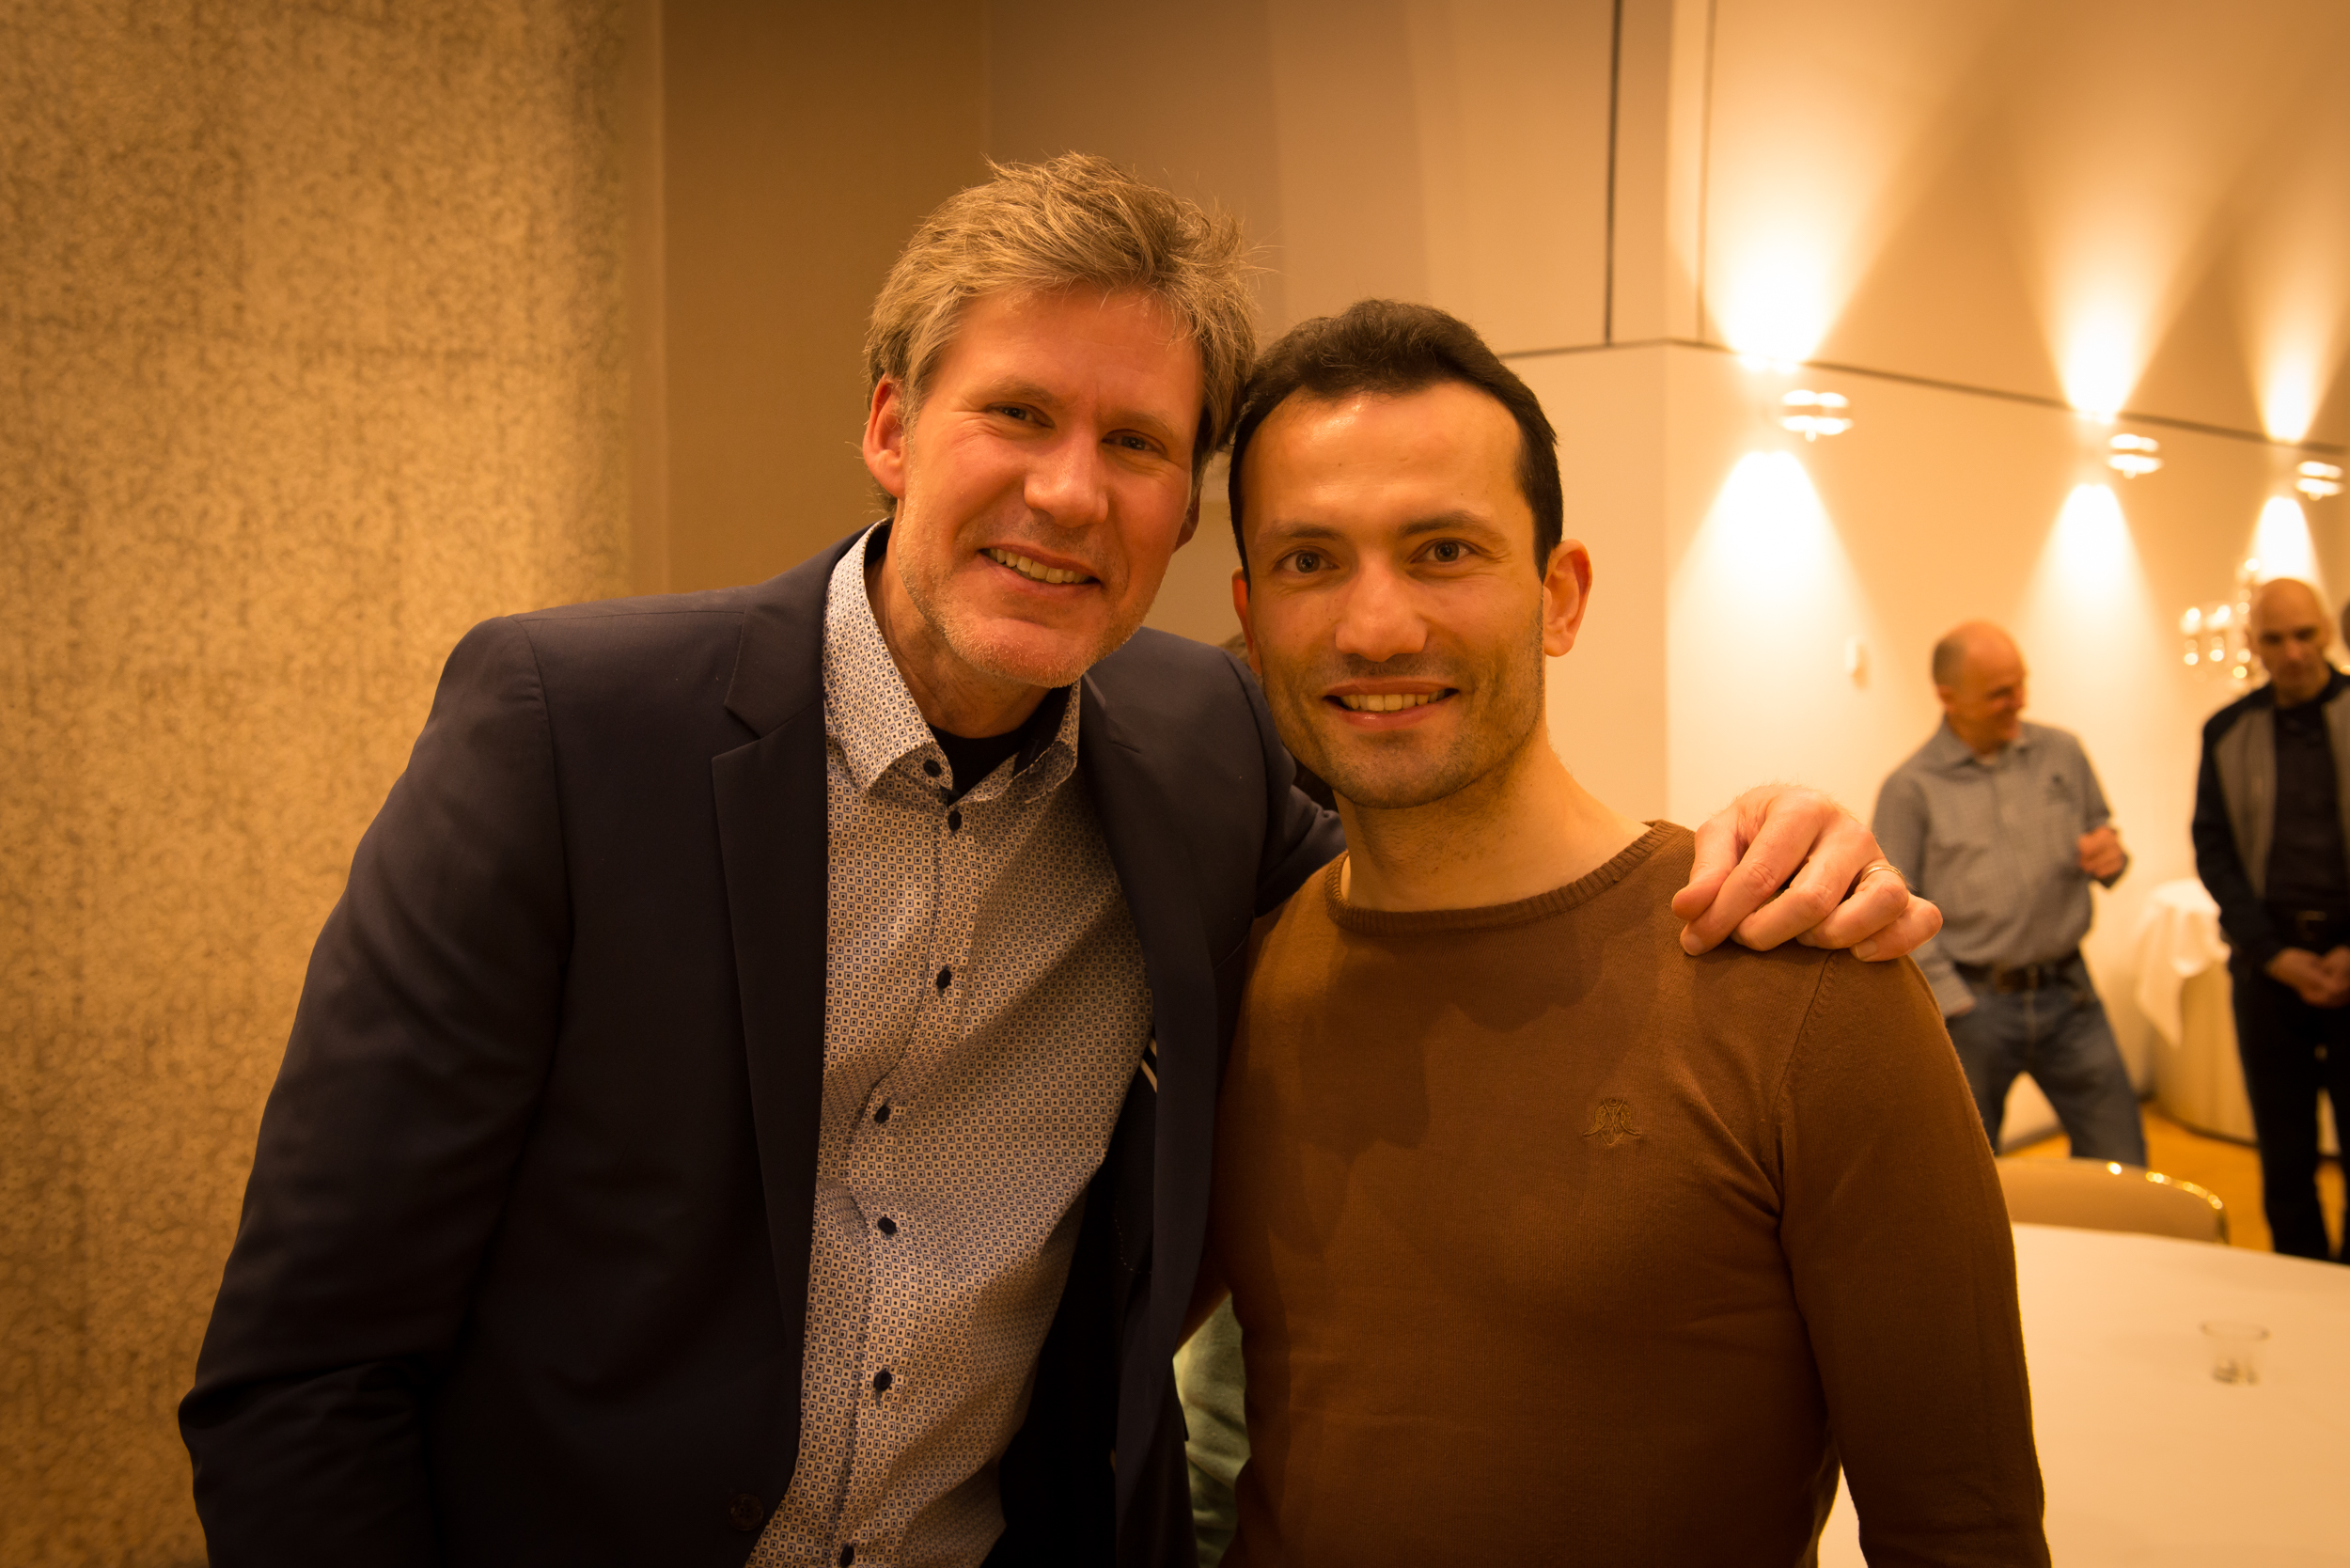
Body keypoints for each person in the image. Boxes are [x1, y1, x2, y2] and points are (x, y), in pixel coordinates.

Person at [179, 158, 1937, 1567]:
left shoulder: (1206, 750)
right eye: (1018, 414)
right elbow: (305, 1369)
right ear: (892, 427)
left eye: (1139, 446)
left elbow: (1451, 871)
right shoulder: (566, 730)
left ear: (1186, 516)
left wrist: (1761, 845)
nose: (1072, 493)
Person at [1187, 299, 2044, 1565]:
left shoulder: (1801, 985)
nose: (1376, 628)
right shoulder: (1239, 983)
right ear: (1253, 621)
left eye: (1442, 551)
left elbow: (1963, 1532)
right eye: (1311, 561)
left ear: (1560, 596)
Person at [1872, 622, 2147, 1163]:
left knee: (2122, 1159)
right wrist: (1954, 1002)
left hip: (2071, 994)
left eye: (2020, 684)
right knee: (1967, 1173)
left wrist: (2111, 856)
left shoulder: (2062, 753)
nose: (2018, 701)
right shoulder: (1910, 789)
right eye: (1999, 692)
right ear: (1948, 697)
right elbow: (1892, 906)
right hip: (1976, 1008)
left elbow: (2104, 839)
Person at [2192, 577, 2350, 1262]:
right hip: (2269, 972)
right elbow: (2214, 849)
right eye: (2275, 639)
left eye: (2305, 635)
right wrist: (2273, 953)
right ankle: (2300, 1284)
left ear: (2327, 632)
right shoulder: (2227, 731)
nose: (2294, 653)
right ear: (2252, 644)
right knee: (2284, 1156)